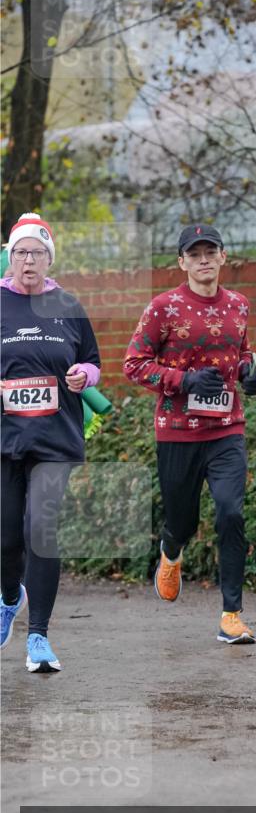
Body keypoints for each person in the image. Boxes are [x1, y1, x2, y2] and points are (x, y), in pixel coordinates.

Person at [123, 223, 256, 644]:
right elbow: (134, 364)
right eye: (194, 253)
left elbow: (241, 354)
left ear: (223, 257)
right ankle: (171, 548)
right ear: (182, 262)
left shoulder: (239, 304)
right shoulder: (162, 308)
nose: (204, 259)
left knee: (231, 513)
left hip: (226, 430)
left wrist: (250, 375)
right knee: (182, 521)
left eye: (211, 251)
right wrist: (182, 382)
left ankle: (231, 615)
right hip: (178, 433)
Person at [1, 213, 102, 673]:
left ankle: (38, 635)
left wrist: (85, 376)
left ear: (48, 258)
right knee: (6, 536)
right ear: (10, 257)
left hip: (54, 440)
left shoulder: (67, 305)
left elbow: (92, 362)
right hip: (5, 440)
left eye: (37, 253)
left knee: (40, 530)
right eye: (21, 251)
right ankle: (8, 599)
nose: (28, 260)